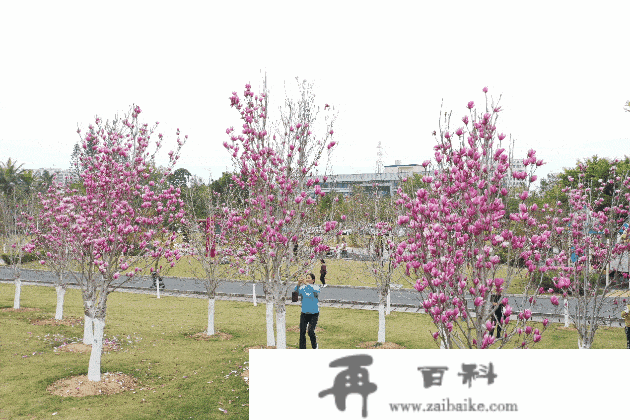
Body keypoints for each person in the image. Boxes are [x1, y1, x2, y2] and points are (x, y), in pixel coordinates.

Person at [294, 273, 321, 349]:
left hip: (314, 313)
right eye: (306, 278)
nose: (307, 279)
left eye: (309, 278)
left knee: (310, 331)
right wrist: (298, 284)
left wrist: (306, 284)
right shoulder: (302, 288)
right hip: (304, 313)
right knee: (302, 332)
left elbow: (316, 291)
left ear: (313, 280)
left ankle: (315, 346)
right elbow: (294, 296)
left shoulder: (316, 287)